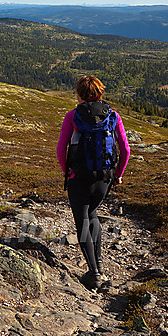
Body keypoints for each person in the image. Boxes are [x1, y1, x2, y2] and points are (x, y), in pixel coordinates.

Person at [56, 75, 130, 290]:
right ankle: (98, 262)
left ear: (79, 94)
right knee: (93, 214)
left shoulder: (72, 116)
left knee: (82, 221)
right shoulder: (113, 116)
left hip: (79, 177)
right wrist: (118, 174)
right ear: (100, 92)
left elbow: (61, 149)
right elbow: (125, 149)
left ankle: (94, 273)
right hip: (105, 176)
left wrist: (66, 171)